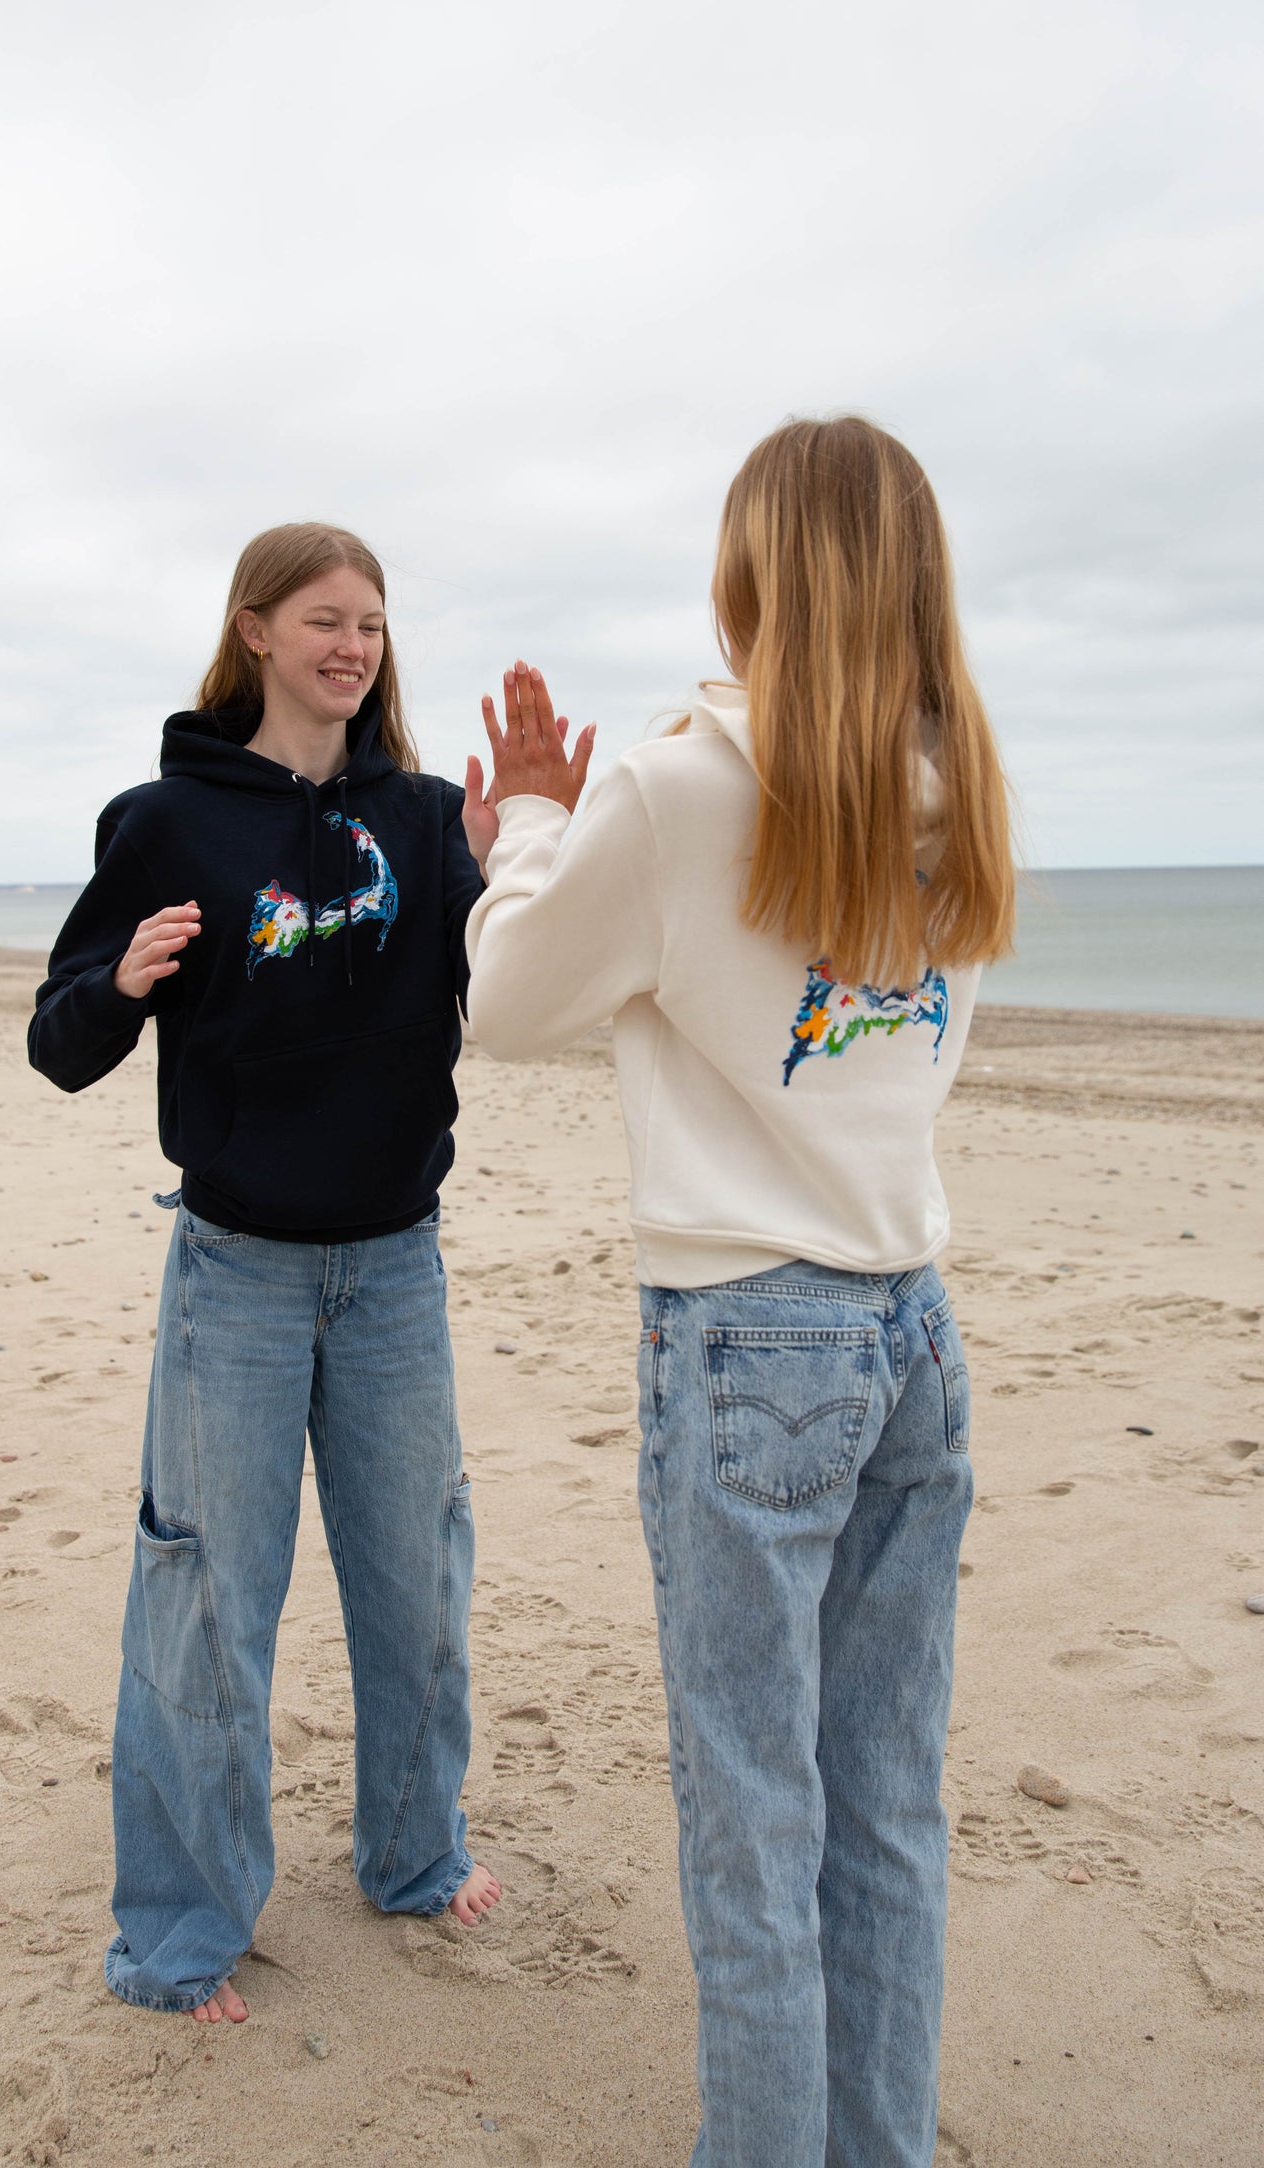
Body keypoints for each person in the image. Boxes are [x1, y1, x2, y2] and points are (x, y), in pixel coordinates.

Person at [460, 418, 1015, 2167]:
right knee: (885, 1805)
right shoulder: (961, 780)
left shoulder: (685, 783)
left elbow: (508, 1004)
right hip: (907, 1324)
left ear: (750, 573)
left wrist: (532, 824)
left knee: (755, 1822)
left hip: (753, 1338)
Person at [29, 521, 500, 2026]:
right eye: (322, 618)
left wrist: (510, 871)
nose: (352, 645)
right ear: (252, 633)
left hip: (396, 1270)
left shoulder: (427, 820)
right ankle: (179, 1933)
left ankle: (413, 1854)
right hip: (234, 1269)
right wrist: (121, 983)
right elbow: (60, 1043)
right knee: (207, 1598)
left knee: (415, 1586)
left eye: (370, 621)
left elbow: (511, 995)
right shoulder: (165, 820)